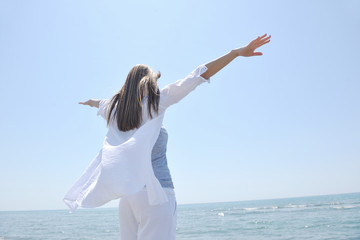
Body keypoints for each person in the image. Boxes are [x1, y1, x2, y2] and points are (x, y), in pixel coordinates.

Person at [76, 34, 271, 240]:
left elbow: (101, 103)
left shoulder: (115, 110)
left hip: (128, 197)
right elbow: (196, 76)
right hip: (156, 194)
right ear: (148, 82)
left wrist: (90, 102)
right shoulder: (155, 103)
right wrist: (235, 54)